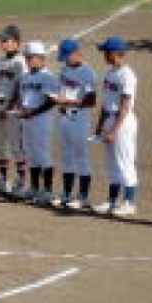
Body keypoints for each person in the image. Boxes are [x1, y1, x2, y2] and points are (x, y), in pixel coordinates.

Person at [94, 37, 139, 217]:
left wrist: (114, 130)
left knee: (125, 161)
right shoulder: (110, 73)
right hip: (110, 119)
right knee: (112, 162)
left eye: (106, 52)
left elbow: (125, 105)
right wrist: (100, 126)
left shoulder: (127, 75)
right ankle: (112, 200)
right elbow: (106, 102)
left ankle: (129, 202)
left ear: (115, 53)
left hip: (123, 122)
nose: (104, 55)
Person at [54, 39, 97, 209]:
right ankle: (67, 193)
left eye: (67, 57)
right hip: (64, 117)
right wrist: (60, 102)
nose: (65, 60)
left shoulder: (88, 73)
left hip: (80, 119)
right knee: (66, 157)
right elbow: (61, 90)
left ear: (76, 53)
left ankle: (83, 197)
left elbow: (91, 101)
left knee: (81, 157)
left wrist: (68, 102)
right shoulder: (64, 70)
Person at [19, 41, 58, 205]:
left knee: (42, 154)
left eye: (31, 57)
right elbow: (24, 98)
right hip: (27, 118)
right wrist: (22, 110)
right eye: (27, 57)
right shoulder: (25, 77)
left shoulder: (48, 77)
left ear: (41, 58)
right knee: (31, 153)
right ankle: (34, 188)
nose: (28, 61)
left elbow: (52, 102)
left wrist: (33, 113)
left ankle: (47, 191)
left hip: (42, 120)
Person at [0, 25, 27, 195]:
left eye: (7, 40)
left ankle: (21, 181)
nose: (3, 43)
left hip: (13, 110)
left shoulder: (21, 62)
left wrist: (7, 108)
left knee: (16, 146)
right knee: (0, 145)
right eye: (2, 40)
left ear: (17, 42)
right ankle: (2, 179)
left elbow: (20, 88)